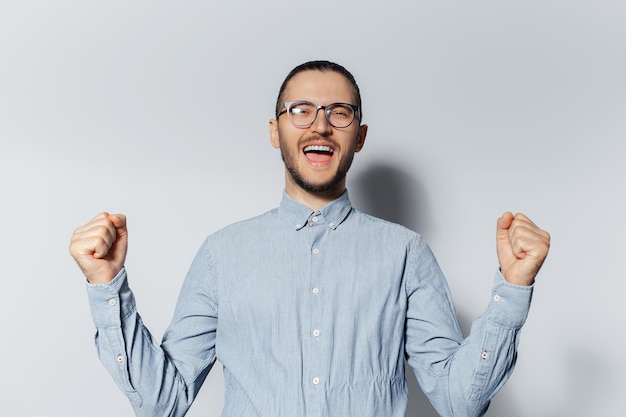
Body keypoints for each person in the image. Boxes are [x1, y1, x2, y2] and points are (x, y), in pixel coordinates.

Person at [69, 60, 550, 417]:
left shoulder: (405, 254)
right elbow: (163, 402)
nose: (320, 124)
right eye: (301, 110)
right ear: (275, 131)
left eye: (338, 112)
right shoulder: (222, 254)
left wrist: (512, 289)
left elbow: (458, 401)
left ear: (359, 136)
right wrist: (107, 287)